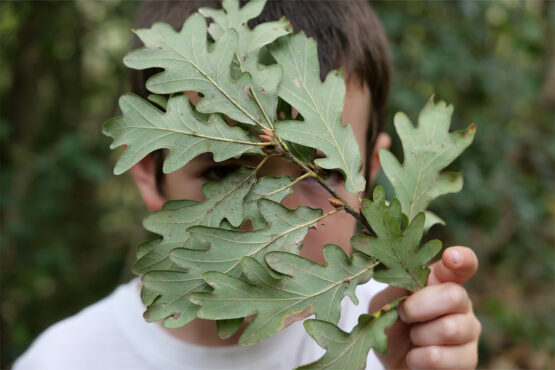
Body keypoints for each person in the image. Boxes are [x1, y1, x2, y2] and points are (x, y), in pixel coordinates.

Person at [14, 1, 481, 369]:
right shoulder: (65, 360)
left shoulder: (394, 337)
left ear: (370, 173)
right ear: (149, 177)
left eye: (327, 172)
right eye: (223, 174)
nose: (281, 227)